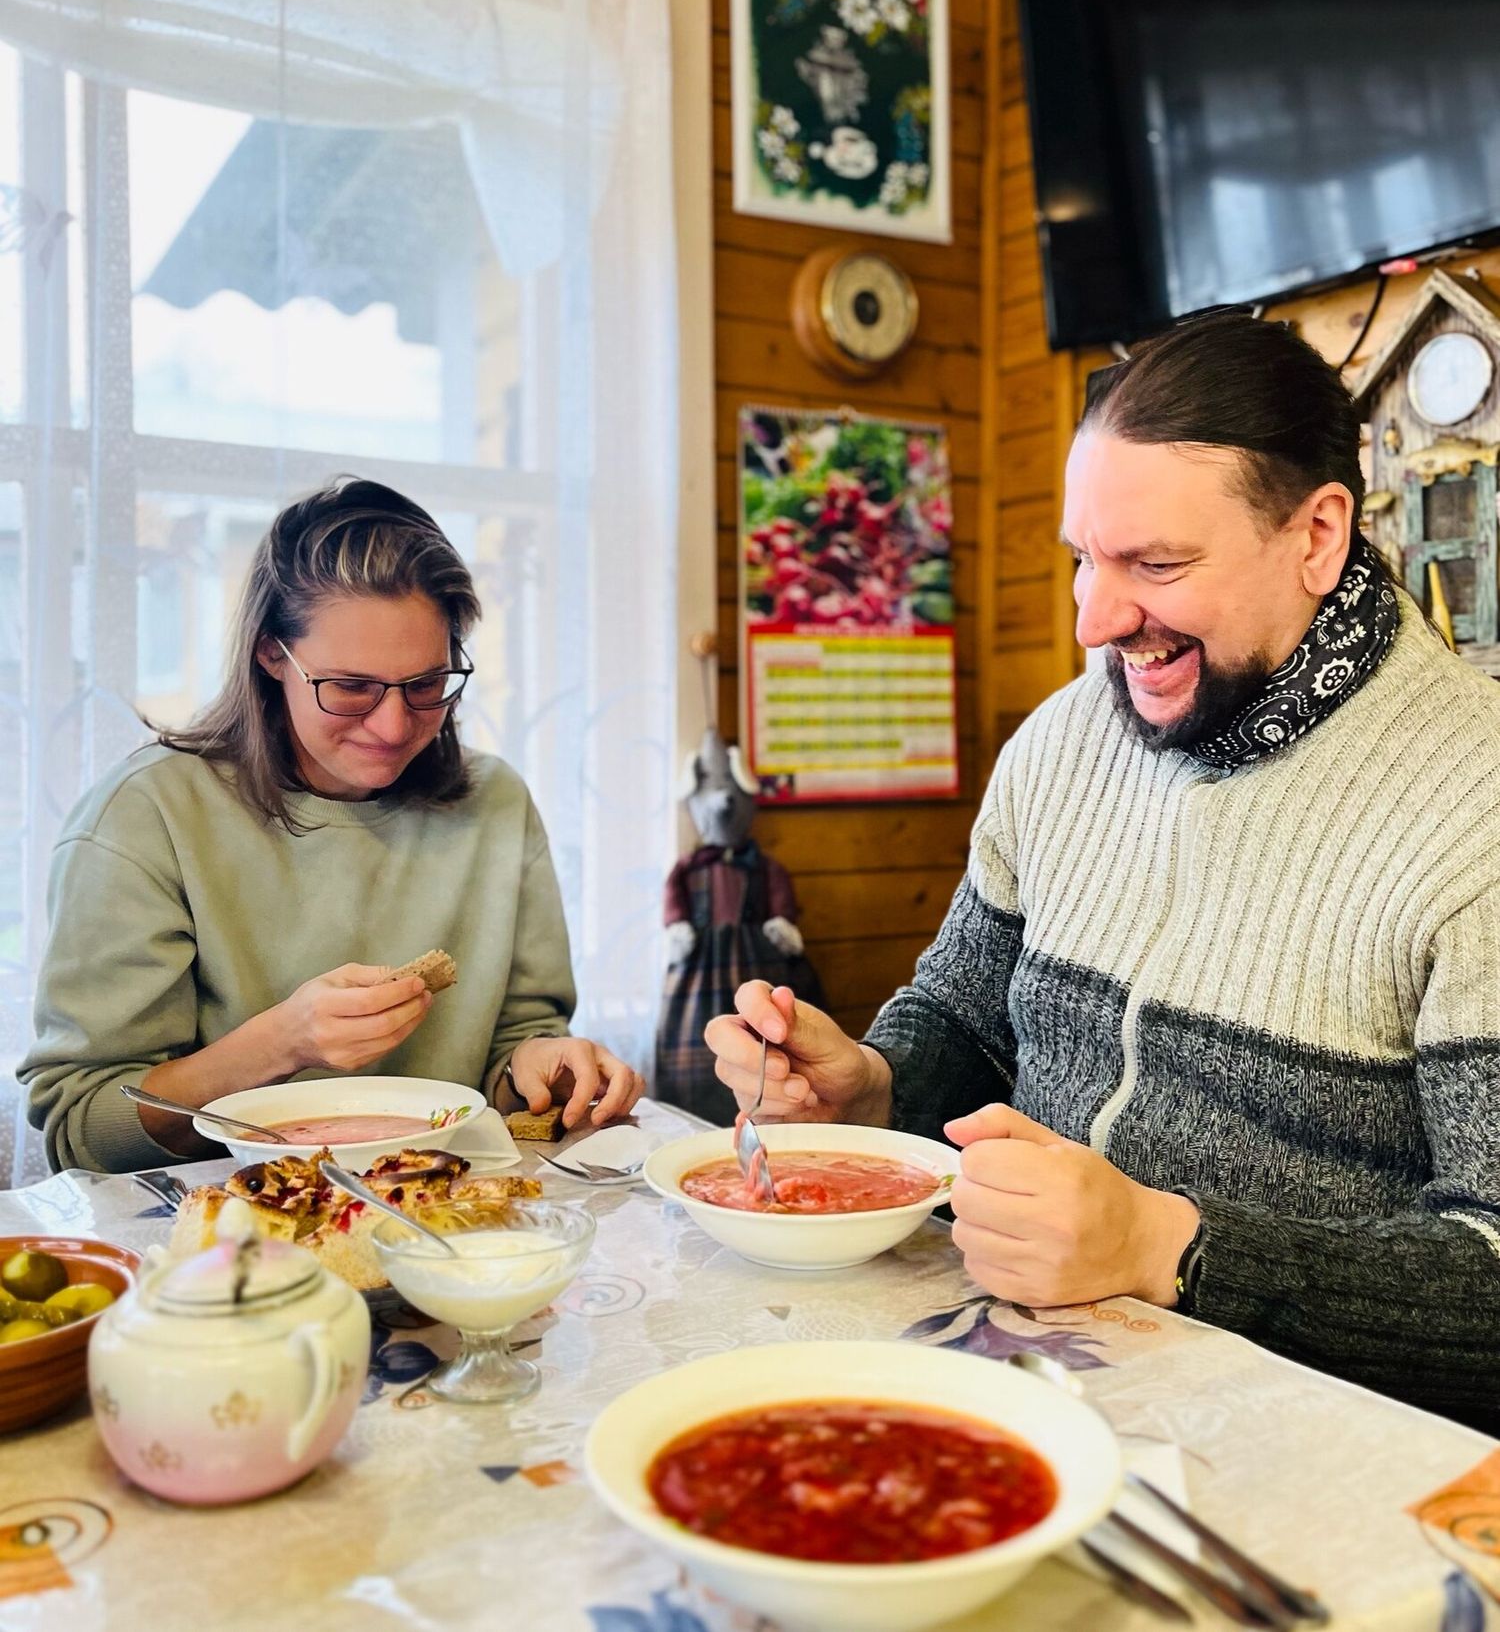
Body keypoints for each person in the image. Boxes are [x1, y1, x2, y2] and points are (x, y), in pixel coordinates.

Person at [707, 313, 1500, 1433]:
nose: (1094, 621)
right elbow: (964, 1019)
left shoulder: (1478, 801)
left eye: (1156, 564)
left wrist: (1165, 1247)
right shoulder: (1060, 742)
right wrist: (872, 1087)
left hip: (1317, 1447)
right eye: (1083, 558)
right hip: (1019, 1387)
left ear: (1318, 536)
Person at [23, 478, 643, 1173]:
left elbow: (513, 1051)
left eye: (426, 684)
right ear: (270, 654)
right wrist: (280, 1045)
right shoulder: (147, 816)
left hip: (446, 1211)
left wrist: (540, 1066)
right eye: (350, 687)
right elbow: (84, 1127)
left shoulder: (495, 802)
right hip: (230, 1228)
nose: (393, 726)